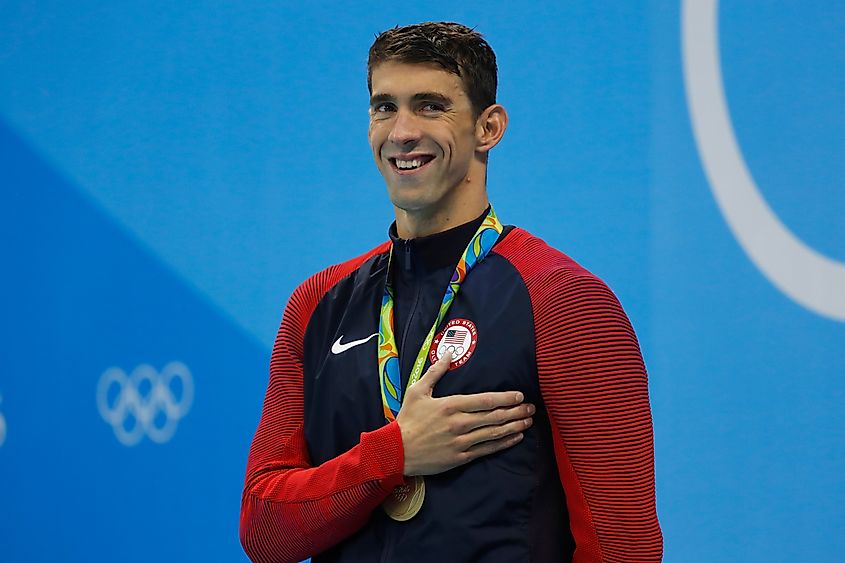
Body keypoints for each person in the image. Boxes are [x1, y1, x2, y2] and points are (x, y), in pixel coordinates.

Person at [240, 21, 662, 563]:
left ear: (489, 128)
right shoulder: (317, 304)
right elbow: (266, 532)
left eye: (430, 106)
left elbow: (623, 545)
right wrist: (394, 455)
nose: (402, 131)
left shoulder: (563, 300)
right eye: (384, 106)